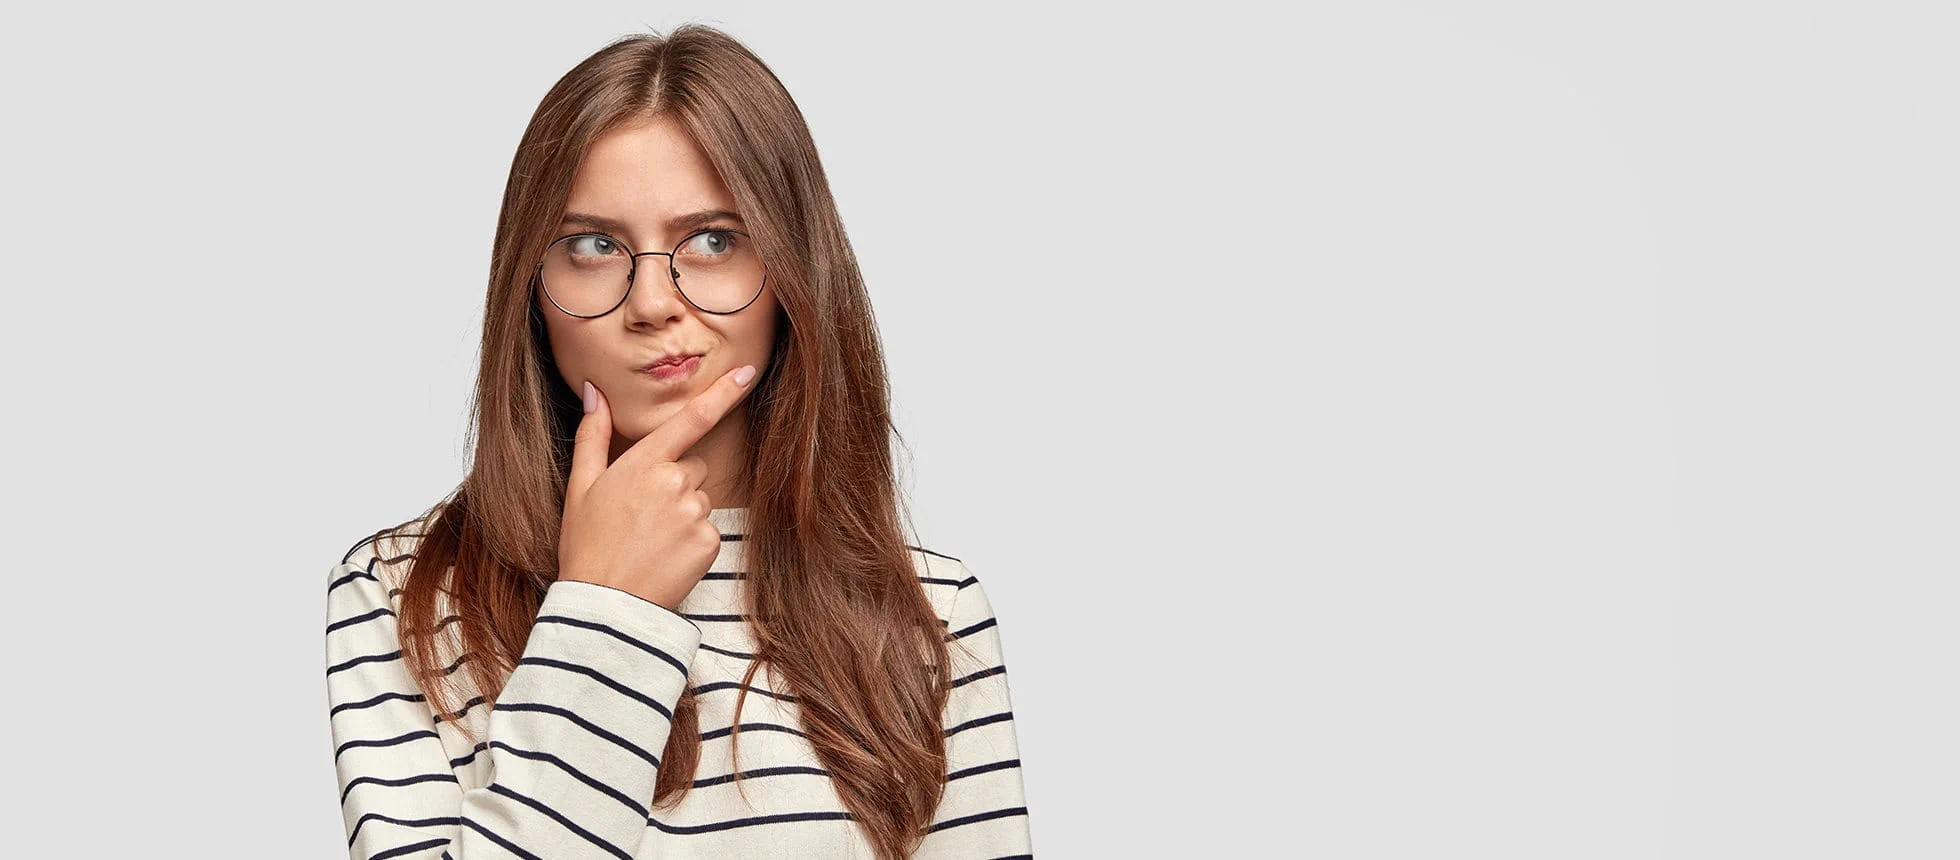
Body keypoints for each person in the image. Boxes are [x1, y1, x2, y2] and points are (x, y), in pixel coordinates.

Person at [323, 25, 1031, 859]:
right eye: (594, 246)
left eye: (713, 241)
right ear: (530, 286)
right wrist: (605, 607)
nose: (653, 302)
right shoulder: (404, 593)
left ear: (793, 271)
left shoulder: (931, 616)